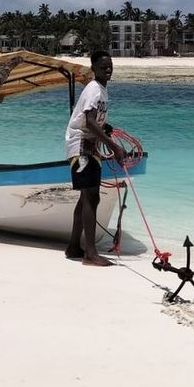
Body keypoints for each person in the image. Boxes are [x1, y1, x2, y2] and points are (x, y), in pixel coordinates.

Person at [64, 50, 127, 267]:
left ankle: (74, 247)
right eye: (103, 67)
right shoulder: (94, 90)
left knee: (87, 198)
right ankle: (90, 254)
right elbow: (89, 122)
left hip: (89, 147)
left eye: (110, 66)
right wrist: (115, 148)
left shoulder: (101, 90)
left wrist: (106, 128)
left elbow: (93, 120)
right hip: (81, 146)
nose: (108, 69)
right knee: (91, 197)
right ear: (94, 69)